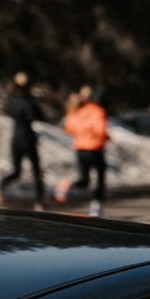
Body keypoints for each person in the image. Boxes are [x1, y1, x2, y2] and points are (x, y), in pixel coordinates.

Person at [0, 71, 46, 208]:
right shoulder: (28, 101)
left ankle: (0, 185)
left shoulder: (11, 100)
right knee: (36, 171)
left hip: (16, 138)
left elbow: (7, 110)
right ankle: (39, 201)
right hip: (28, 138)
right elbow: (38, 116)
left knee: (16, 171)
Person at [55, 85, 109, 217]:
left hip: (80, 148)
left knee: (83, 180)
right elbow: (100, 131)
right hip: (95, 148)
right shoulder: (97, 111)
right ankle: (96, 206)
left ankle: (67, 183)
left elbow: (69, 129)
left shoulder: (74, 111)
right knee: (100, 177)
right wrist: (106, 137)